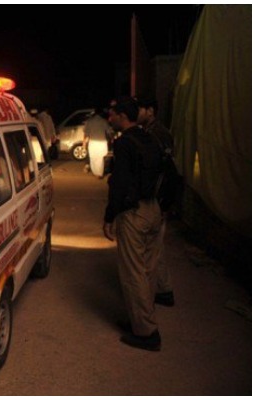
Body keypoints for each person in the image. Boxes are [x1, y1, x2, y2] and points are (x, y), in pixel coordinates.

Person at [103, 96, 164, 351]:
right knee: (147, 270)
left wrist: (109, 217)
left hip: (134, 212)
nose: (109, 118)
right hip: (154, 209)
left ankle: (146, 333)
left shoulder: (125, 143)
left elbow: (119, 183)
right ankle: (140, 321)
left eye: (113, 114)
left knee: (133, 273)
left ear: (123, 117)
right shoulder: (151, 138)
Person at [138, 98, 175, 307]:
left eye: (140, 108)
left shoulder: (157, 134)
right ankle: (163, 289)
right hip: (158, 198)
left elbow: (166, 172)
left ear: (150, 111)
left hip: (157, 199)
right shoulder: (152, 131)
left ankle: (151, 296)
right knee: (155, 249)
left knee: (151, 250)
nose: (137, 111)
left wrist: (163, 202)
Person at [84, 107, 113, 178]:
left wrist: (84, 143)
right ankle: (99, 173)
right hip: (102, 143)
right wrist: (111, 139)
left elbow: (86, 134)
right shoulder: (103, 121)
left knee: (93, 158)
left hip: (92, 143)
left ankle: (96, 172)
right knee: (100, 159)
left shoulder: (89, 121)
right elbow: (109, 132)